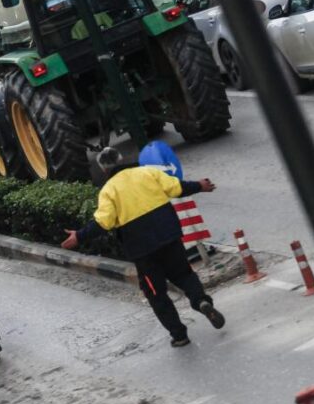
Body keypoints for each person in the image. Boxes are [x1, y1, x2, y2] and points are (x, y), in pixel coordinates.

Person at [61, 147, 225, 348]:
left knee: (156, 293)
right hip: (168, 235)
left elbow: (104, 222)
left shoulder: (108, 190)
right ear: (123, 159)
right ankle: (201, 301)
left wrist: (79, 236)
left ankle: (179, 335)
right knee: (183, 273)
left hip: (142, 249)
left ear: (104, 170)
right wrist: (200, 185)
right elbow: (177, 188)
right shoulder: (147, 172)